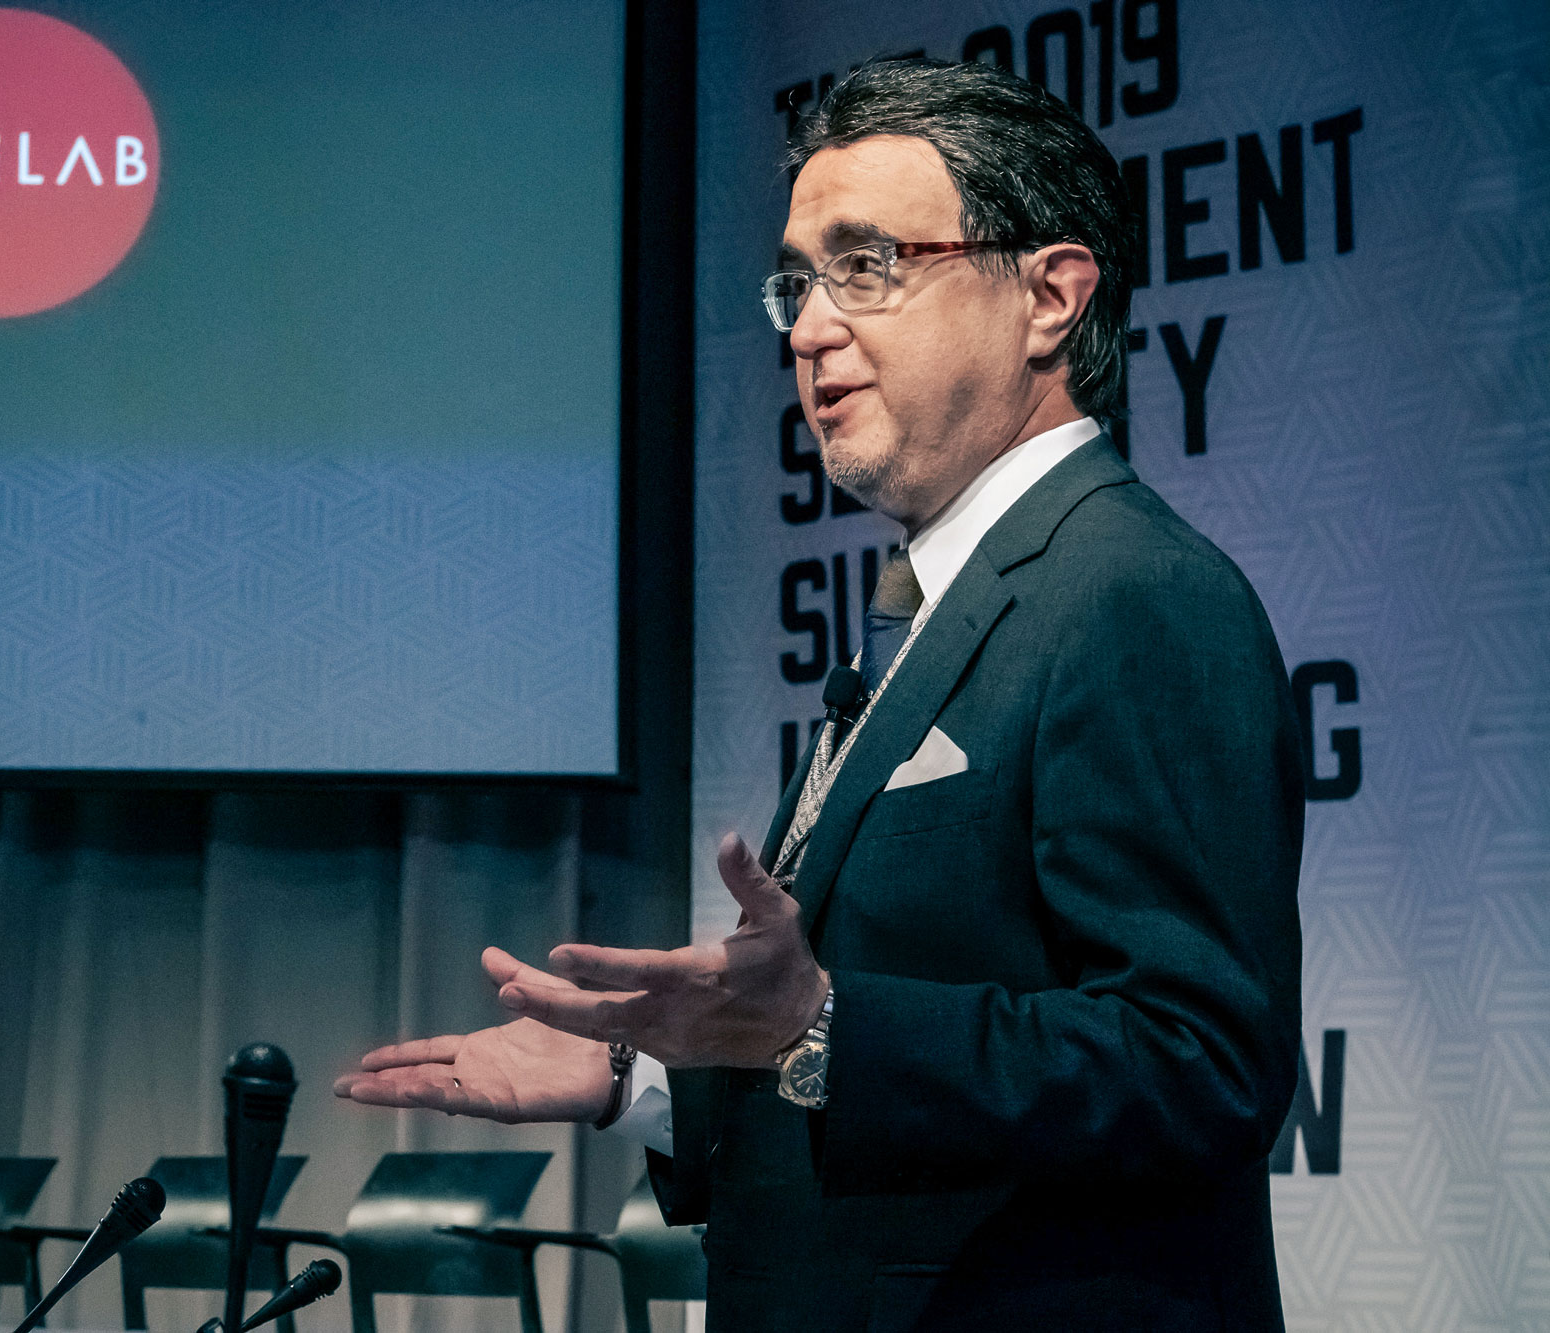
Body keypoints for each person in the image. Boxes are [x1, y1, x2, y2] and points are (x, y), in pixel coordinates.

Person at [336, 56, 1303, 1331]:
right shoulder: (936, 605)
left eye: (868, 265)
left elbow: (1201, 1067)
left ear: (1049, 297)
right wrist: (649, 1072)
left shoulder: (1132, 594)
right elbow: (869, 1053)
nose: (803, 328)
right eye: (797, 281)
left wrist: (821, 1019)